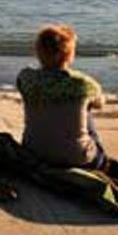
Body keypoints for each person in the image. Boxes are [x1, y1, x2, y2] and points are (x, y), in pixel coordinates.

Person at [16, 24, 107, 169]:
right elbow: (101, 103)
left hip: (33, 152)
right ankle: (96, 163)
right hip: (77, 157)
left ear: (38, 51)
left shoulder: (26, 78)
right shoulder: (83, 83)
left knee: (56, 102)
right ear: (70, 55)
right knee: (86, 107)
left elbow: (22, 86)